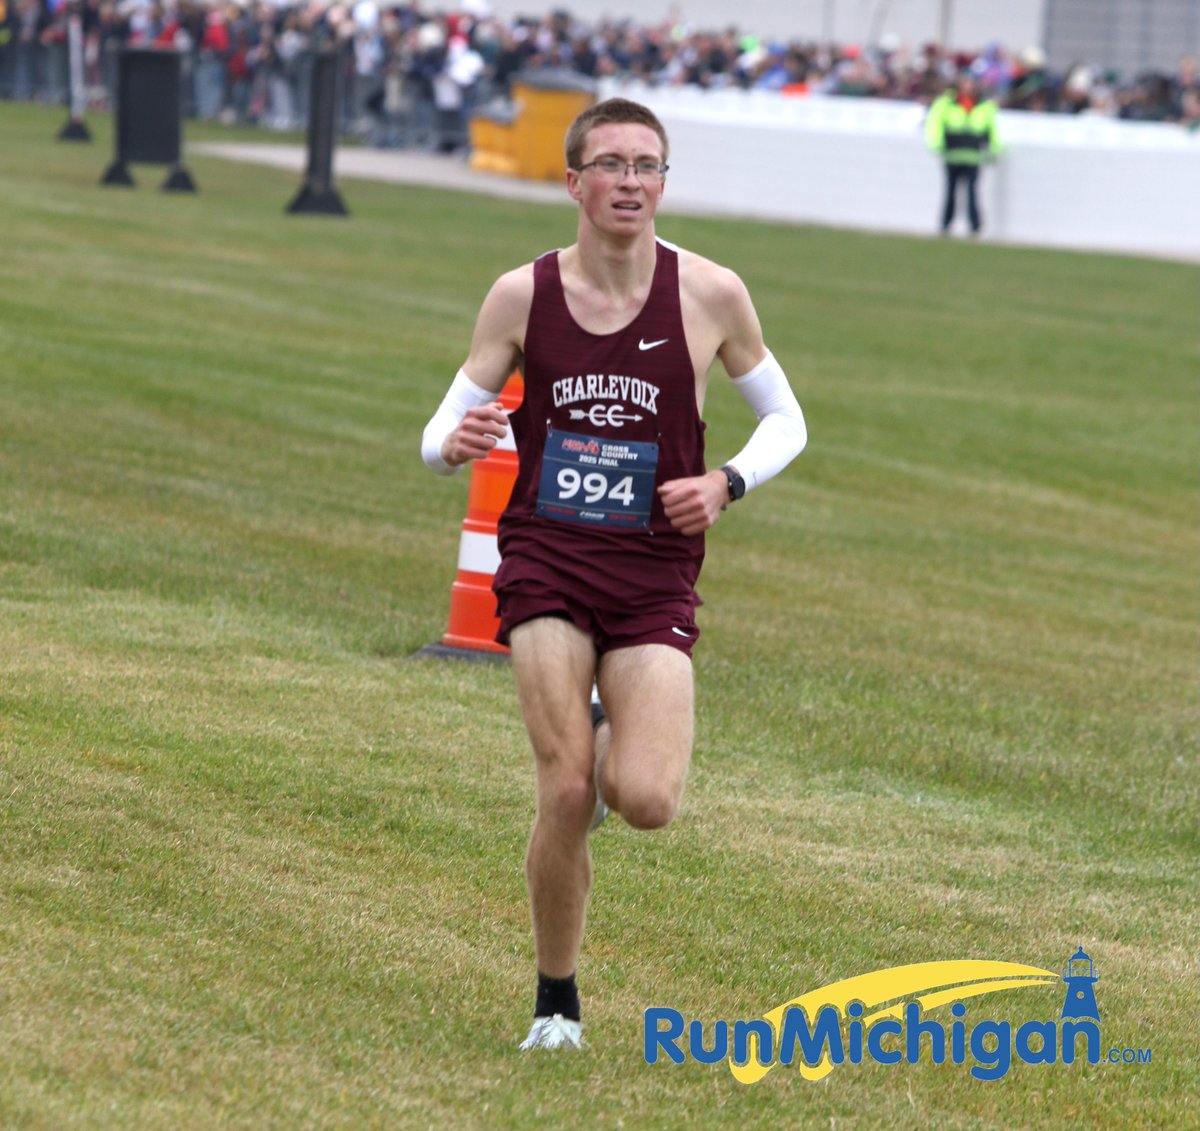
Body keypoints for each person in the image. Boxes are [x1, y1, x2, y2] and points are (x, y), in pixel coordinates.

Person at [420, 97, 807, 1051]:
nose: (631, 181)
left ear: (664, 183)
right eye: (613, 164)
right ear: (575, 183)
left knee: (645, 799)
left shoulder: (712, 293)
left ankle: (601, 733)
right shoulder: (521, 295)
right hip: (547, 557)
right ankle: (557, 1001)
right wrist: (455, 441)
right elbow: (437, 434)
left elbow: (789, 420)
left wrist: (726, 482)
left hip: (653, 574)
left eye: (648, 165)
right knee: (562, 791)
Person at [925, 73, 1002, 236]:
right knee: (950, 191)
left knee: (972, 193)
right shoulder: (946, 104)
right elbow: (935, 124)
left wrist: (995, 148)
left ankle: (975, 226)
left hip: (973, 156)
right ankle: (946, 224)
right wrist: (937, 144)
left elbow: (993, 129)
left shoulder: (984, 106)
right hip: (952, 155)